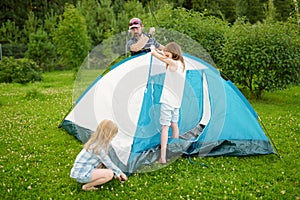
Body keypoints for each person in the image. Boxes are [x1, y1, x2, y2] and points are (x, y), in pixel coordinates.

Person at [150, 42, 186, 164]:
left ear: (173, 52)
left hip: (168, 102)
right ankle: (175, 150)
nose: (165, 54)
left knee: (165, 127)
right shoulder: (182, 63)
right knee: (174, 125)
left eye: (167, 52)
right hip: (177, 102)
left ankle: (163, 157)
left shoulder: (173, 63)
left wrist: (153, 50)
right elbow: (164, 56)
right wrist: (162, 52)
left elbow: (157, 55)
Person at [70, 119, 128, 191]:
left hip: (80, 171)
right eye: (112, 136)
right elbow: (108, 163)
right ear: (108, 135)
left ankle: (96, 176)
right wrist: (120, 173)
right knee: (109, 174)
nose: (112, 139)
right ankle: (87, 186)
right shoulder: (98, 148)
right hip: (81, 174)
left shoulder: (96, 142)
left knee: (102, 165)